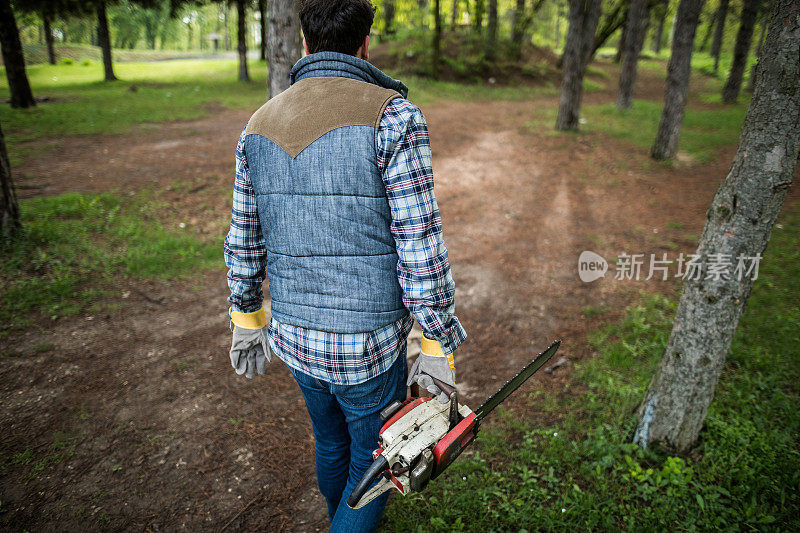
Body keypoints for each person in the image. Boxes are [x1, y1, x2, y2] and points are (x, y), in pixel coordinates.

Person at [223, 0, 466, 530]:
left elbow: (243, 239)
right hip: (367, 346)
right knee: (371, 459)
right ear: (365, 45)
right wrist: (434, 344)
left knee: (329, 441)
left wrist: (246, 322)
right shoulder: (394, 116)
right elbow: (419, 245)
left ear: (304, 43)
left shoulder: (257, 124)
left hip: (293, 336)